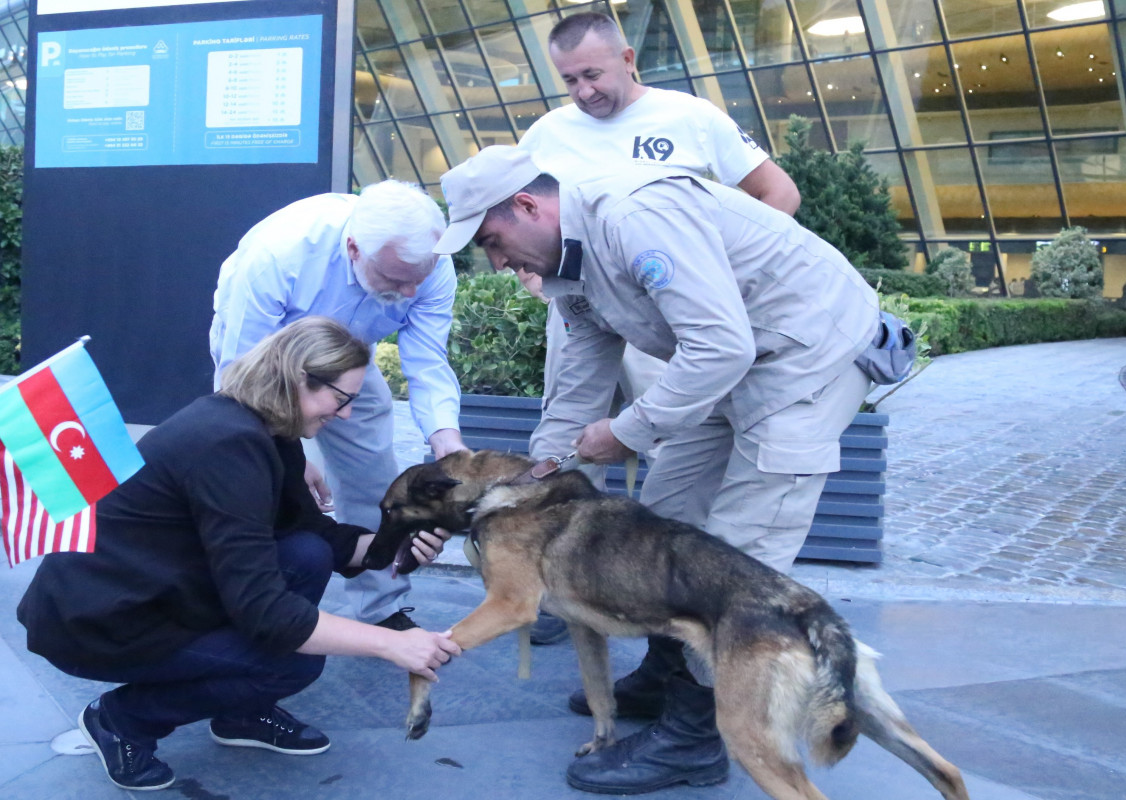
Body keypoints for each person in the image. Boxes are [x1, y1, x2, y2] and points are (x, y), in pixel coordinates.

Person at [433, 146, 879, 795]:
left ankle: (695, 738)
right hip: (728, 365)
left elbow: (721, 344)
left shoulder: (633, 217)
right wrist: (539, 472)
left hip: (803, 360)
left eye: (494, 241)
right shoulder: (568, 261)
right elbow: (582, 369)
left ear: (529, 205)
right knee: (661, 521)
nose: (498, 262)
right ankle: (670, 675)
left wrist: (625, 431)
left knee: (736, 555)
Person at [17, 317, 462, 792]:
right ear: (298, 379)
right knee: (292, 662)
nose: (346, 415)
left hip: (163, 586)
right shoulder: (227, 445)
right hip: (100, 622)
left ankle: (239, 714)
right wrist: (391, 643)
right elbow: (267, 612)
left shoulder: (268, 429)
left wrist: (394, 546)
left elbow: (317, 537)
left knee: (306, 553)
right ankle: (120, 719)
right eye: (342, 399)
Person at [517, 11, 802, 645]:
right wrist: (531, 275)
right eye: (568, 80)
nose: (583, 91)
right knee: (567, 434)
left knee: (670, 438)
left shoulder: (691, 118)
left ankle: (650, 589)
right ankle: (559, 583)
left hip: (672, 317)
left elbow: (778, 195)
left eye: (592, 73)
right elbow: (520, 220)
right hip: (585, 312)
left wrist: (716, 283)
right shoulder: (546, 134)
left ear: (627, 60)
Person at [210, 180, 467, 634]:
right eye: (393, 279)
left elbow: (428, 362)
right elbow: (241, 375)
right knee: (259, 475)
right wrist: (291, 451)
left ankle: (382, 605)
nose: (409, 292)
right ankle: (252, 597)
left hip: (353, 354)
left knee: (375, 474)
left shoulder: (429, 265)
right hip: (267, 357)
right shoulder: (278, 254)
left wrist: (447, 442)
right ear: (353, 248)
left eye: (418, 279)